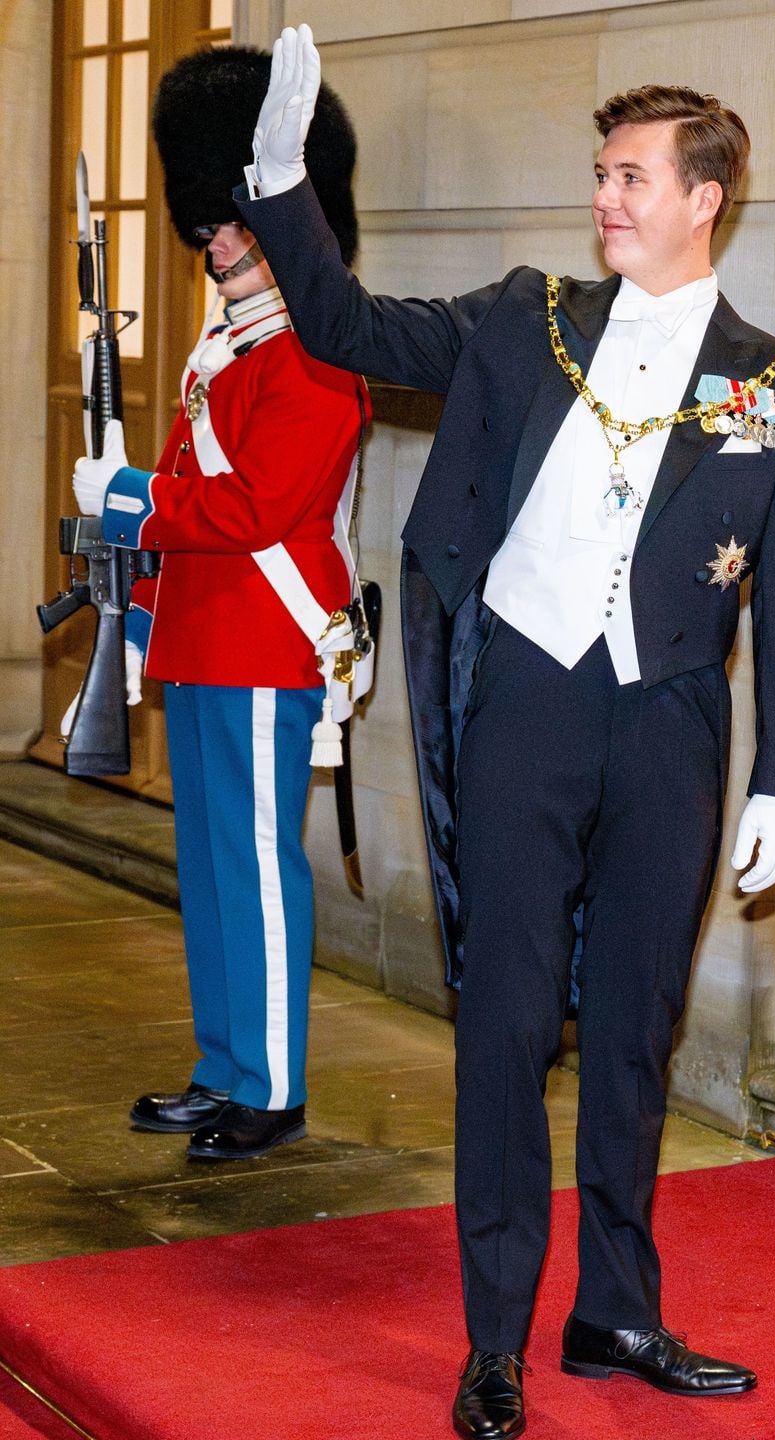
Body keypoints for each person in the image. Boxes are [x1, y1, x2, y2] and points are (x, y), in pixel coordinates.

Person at [239, 26, 775, 1438]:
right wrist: (279, 182)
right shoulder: (529, 318)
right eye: (601, 174)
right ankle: (494, 1336)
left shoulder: (772, 382)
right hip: (523, 710)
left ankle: (616, 1308)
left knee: (634, 1033)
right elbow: (350, 329)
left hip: (672, 731)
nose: (607, 197)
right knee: (505, 1028)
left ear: (707, 198)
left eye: (632, 177)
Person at [71, 47, 371, 1163]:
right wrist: (141, 604)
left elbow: (251, 506)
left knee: (256, 870)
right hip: (203, 636)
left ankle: (276, 1086)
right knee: (207, 871)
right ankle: (225, 1066)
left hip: (265, 640)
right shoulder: (226, 342)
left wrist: (131, 501)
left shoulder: (315, 352)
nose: (220, 237)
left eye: (239, 220)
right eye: (215, 220)